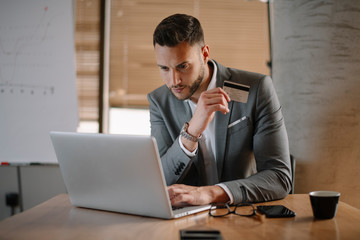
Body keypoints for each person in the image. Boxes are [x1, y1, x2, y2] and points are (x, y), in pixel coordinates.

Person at [147, 13, 291, 207]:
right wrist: (190, 133)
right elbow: (160, 180)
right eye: (164, 68)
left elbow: (279, 177)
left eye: (183, 66)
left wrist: (210, 194)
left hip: (242, 216)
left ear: (205, 53)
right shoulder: (159, 101)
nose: (174, 81)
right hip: (184, 221)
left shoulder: (256, 89)